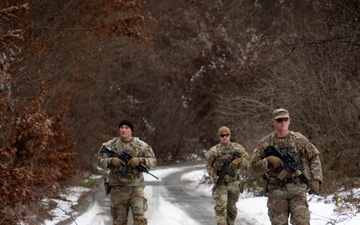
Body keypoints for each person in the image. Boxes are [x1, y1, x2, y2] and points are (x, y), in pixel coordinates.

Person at [250, 108, 323, 225]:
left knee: (302, 222)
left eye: (285, 119)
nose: (283, 122)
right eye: (279, 120)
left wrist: (316, 178)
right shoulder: (265, 143)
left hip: (297, 187)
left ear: (289, 121)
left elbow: (314, 157)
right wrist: (268, 161)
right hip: (276, 190)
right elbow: (253, 167)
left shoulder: (299, 139)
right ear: (273, 122)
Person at [98, 119, 156, 225]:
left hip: (136, 187)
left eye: (126, 128)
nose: (123, 130)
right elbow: (100, 161)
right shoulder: (111, 145)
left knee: (140, 219)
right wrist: (111, 160)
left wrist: (140, 160)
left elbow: (153, 161)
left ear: (131, 131)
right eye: (121, 127)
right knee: (119, 221)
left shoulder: (141, 145)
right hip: (118, 188)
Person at [205, 126, 250, 225]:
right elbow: (208, 165)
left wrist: (239, 160)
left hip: (234, 182)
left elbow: (247, 161)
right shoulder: (214, 151)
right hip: (220, 183)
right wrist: (214, 176)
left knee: (232, 209)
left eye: (226, 135)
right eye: (222, 135)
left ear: (230, 135)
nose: (224, 137)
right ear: (219, 137)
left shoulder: (237, 148)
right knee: (221, 207)